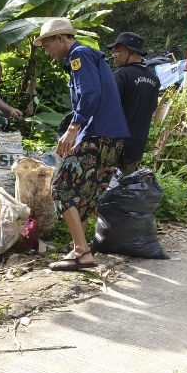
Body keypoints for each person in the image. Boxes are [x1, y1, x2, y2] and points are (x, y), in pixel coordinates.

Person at [32, 19, 129, 271]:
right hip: (111, 136)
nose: (47, 52)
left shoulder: (79, 55)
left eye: (47, 46)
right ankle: (79, 247)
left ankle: (81, 251)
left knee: (61, 187)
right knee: (84, 194)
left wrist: (73, 130)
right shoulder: (87, 55)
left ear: (61, 38)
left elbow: (89, 94)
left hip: (99, 135)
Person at [107, 32, 160, 176]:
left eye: (118, 51)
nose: (114, 55)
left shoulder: (120, 75)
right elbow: (153, 108)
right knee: (124, 185)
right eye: (114, 51)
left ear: (133, 52)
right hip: (135, 147)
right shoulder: (154, 79)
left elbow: (107, 109)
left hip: (113, 146)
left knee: (106, 186)